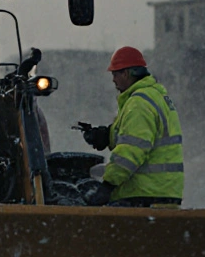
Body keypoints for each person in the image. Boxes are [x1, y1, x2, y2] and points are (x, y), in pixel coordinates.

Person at [79, 47, 184, 207]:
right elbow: (139, 137)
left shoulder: (139, 104)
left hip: (145, 194)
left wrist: (107, 186)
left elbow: (131, 150)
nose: (113, 80)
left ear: (126, 74)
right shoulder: (154, 96)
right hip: (162, 192)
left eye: (115, 74)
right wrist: (105, 136)